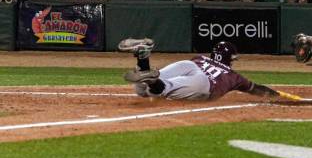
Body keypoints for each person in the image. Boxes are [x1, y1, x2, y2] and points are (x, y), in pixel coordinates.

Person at [119, 39, 284, 100]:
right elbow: (257, 90)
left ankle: (143, 57)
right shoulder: (234, 76)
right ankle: (153, 79)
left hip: (190, 65)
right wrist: (277, 96)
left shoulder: (199, 58)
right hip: (205, 84)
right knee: (161, 89)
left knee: (142, 90)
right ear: (229, 59)